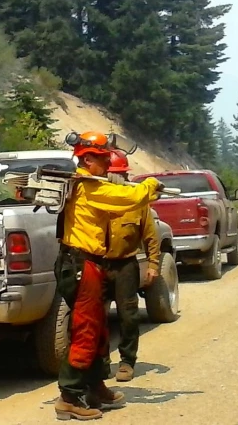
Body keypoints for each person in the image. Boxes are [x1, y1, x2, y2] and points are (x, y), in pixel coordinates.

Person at [54, 131, 163, 421]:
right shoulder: (89, 187)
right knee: (87, 331)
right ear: (88, 159)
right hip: (81, 263)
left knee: (98, 329)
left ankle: (95, 387)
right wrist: (151, 185)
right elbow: (131, 197)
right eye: (102, 159)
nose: (106, 164)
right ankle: (69, 396)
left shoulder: (84, 184)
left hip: (84, 263)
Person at [102, 150, 159, 382]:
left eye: (120, 174)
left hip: (125, 265)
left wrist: (153, 263)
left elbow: (151, 236)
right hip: (98, 264)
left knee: (128, 316)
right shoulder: (95, 198)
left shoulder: (137, 201)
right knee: (96, 317)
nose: (118, 179)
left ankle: (127, 361)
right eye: (114, 174)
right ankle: (102, 363)